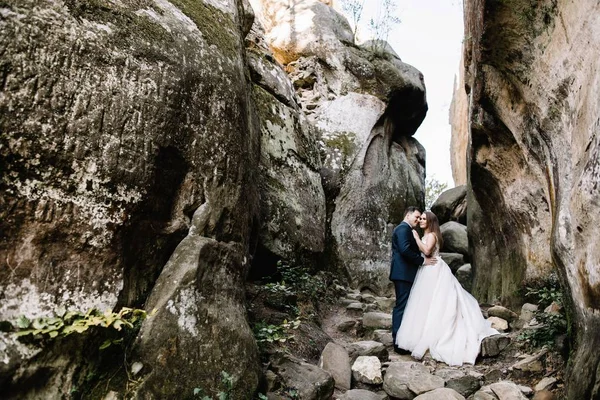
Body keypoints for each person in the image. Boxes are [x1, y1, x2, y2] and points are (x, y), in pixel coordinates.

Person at [396, 211, 498, 366]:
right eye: (420, 218)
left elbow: (427, 251)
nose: (421, 221)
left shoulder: (431, 236)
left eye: (424, 219)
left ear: (430, 221)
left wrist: (416, 238)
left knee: (437, 301)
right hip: (427, 270)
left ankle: (435, 336)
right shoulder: (428, 234)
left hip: (433, 270)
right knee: (425, 303)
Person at [390, 207, 437, 354]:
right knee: (401, 307)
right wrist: (422, 260)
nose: (418, 220)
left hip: (405, 274)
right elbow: (405, 250)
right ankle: (398, 342)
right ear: (408, 215)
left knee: (406, 307)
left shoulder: (406, 229)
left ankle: (403, 340)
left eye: (420, 218)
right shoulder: (404, 229)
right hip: (403, 274)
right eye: (416, 217)